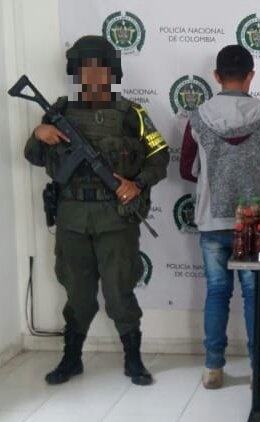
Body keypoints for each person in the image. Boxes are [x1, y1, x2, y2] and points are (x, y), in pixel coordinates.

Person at [24, 35, 169, 386]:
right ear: (76, 72)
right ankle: (71, 358)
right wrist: (39, 133)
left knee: (119, 293)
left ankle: (133, 360)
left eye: (100, 68)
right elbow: (33, 156)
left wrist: (137, 184)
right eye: (85, 68)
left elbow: (160, 156)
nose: (92, 75)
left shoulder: (131, 114)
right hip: (72, 219)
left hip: (115, 219)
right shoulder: (60, 111)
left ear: (112, 72)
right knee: (77, 294)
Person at [180, 45, 260, 390]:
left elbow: (186, 169)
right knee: (255, 296)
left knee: (216, 293)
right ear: (251, 75)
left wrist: (215, 180)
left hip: (213, 222)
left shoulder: (197, 117)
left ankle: (213, 369)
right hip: (256, 224)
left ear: (216, 76)